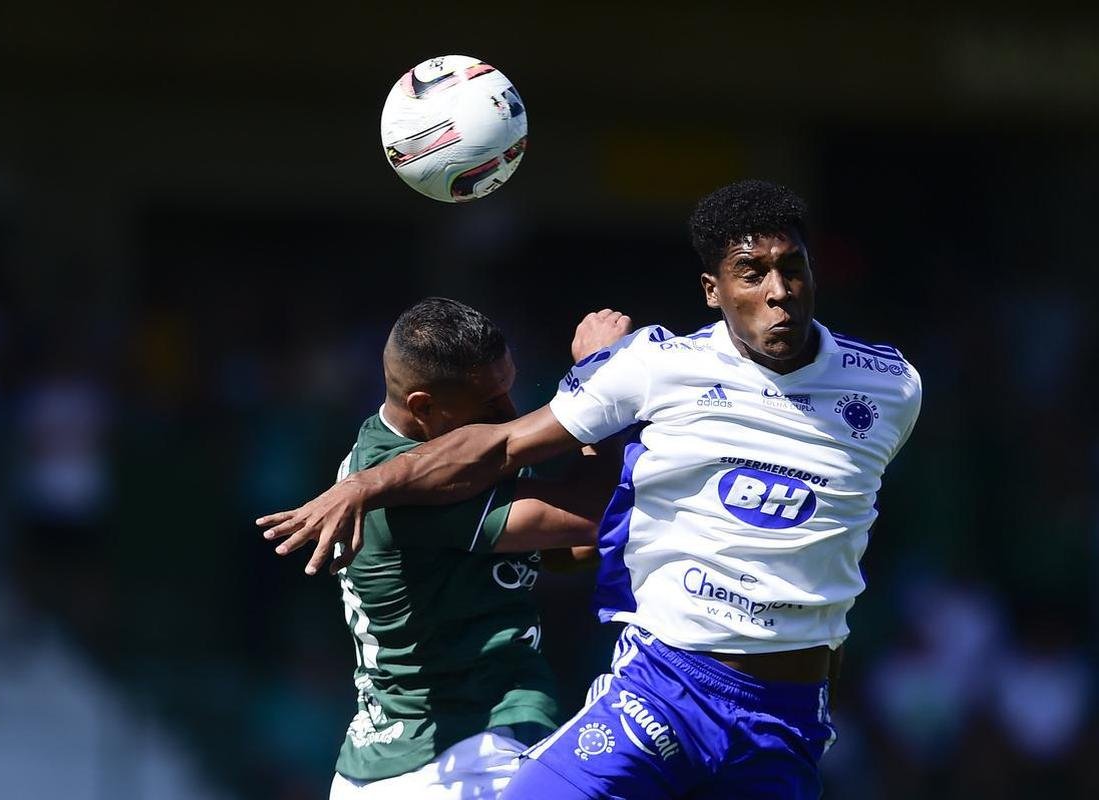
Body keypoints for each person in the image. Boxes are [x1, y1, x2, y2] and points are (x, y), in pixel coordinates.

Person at [259, 180, 922, 798]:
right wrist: (364, 488)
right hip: (663, 689)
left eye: (792, 267)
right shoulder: (655, 368)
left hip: (787, 712)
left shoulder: (891, 388)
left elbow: (578, 543)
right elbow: (506, 448)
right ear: (712, 290)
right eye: (752, 273)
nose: (779, 290)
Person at [272, 297, 631, 799]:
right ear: (423, 405)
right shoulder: (422, 492)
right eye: (491, 401)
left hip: (393, 762)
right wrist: (602, 381)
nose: (509, 411)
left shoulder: (412, 453)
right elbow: (590, 518)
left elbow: (556, 551)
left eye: (510, 386)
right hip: (462, 755)